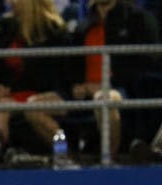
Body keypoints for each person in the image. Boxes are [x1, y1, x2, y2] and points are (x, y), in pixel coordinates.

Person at [27, 0, 159, 161]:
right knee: (33, 106)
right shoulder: (82, 27)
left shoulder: (138, 19)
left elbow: (149, 62)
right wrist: (75, 85)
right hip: (83, 94)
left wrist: (107, 83)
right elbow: (68, 66)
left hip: (120, 89)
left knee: (103, 99)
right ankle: (70, 159)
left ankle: (108, 160)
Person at [0, 0, 69, 163]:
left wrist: (9, 90)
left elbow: (49, 76)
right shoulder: (4, 27)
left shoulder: (52, 30)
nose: (10, 2)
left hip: (35, 92)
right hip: (5, 92)